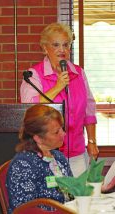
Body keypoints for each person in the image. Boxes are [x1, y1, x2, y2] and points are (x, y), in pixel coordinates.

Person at [20, 22, 99, 177]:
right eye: (56, 45)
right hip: (47, 154)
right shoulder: (34, 75)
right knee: (54, 199)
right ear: (44, 48)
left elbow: (89, 109)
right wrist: (58, 86)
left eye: (66, 44)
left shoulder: (78, 73)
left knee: (80, 197)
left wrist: (91, 141)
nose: (62, 50)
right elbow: (29, 108)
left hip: (77, 153)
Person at [6, 104, 73, 213]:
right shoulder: (23, 165)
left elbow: (71, 195)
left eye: (62, 128)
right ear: (38, 138)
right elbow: (25, 210)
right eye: (56, 132)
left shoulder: (59, 157)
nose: (63, 134)